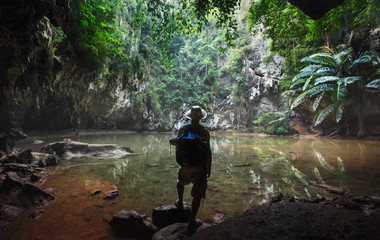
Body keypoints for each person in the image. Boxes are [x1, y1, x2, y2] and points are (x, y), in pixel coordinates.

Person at [175, 106, 212, 234]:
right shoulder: (204, 132)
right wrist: (208, 167)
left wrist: (182, 160)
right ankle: (192, 221)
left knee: (180, 182)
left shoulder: (182, 129)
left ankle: (179, 202)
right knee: (198, 193)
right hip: (199, 167)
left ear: (189, 117)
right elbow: (208, 151)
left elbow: (177, 147)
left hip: (185, 164)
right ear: (201, 118)